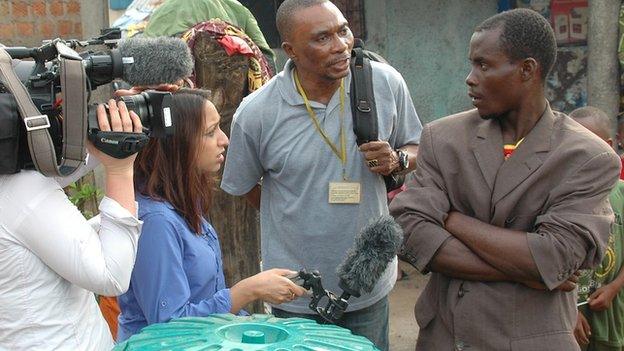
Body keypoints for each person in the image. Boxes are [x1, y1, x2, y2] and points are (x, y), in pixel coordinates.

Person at [389, 8, 621, 351]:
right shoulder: (443, 137)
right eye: (472, 64)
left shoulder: (586, 156)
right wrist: (529, 273)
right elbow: (411, 232)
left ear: (527, 70)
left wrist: (452, 219)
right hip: (446, 337)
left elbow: (555, 257)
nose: (470, 77)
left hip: (530, 340)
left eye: (484, 65)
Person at [220, 1, 422, 349]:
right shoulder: (256, 114)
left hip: (367, 283)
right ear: (291, 51)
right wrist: (291, 214)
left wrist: (398, 160)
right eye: (322, 38)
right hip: (295, 291)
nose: (341, 45)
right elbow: (243, 185)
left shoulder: (384, 83)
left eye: (343, 30)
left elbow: (416, 146)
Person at [116, 89, 306, 342]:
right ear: (178, 145)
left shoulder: (181, 203)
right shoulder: (156, 222)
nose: (224, 139)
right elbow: (169, 325)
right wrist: (247, 291)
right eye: (210, 132)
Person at [0, 100, 144, 350]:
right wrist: (120, 169)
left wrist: (108, 121)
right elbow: (112, 275)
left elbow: (57, 171)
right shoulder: (18, 192)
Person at [570, 106, 624, 351]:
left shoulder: (621, 193)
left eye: (589, 144)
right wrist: (568, 310)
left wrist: (614, 287)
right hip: (567, 316)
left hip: (612, 314)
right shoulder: (554, 195)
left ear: (609, 144)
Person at [143, 0, 276, 72]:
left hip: (181, 109)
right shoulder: (238, 10)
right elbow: (266, 60)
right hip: (235, 107)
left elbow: (142, 64)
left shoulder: (160, 14)